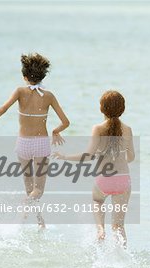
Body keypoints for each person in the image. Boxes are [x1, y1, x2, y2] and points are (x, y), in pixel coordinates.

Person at [0, 53, 70, 229]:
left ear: (25, 76)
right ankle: (25, 208)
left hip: (23, 143)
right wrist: (55, 130)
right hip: (40, 145)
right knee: (38, 190)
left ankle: (39, 221)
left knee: (29, 186)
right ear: (43, 76)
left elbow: (2, 109)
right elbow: (66, 122)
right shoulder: (49, 96)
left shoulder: (19, 91)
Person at [54, 90, 135, 247]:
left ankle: (100, 230)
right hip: (123, 180)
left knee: (97, 201)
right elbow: (131, 158)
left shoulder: (98, 128)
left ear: (101, 108)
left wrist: (64, 157)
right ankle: (123, 256)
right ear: (122, 109)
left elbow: (88, 156)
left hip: (103, 179)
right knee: (119, 226)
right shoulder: (128, 129)